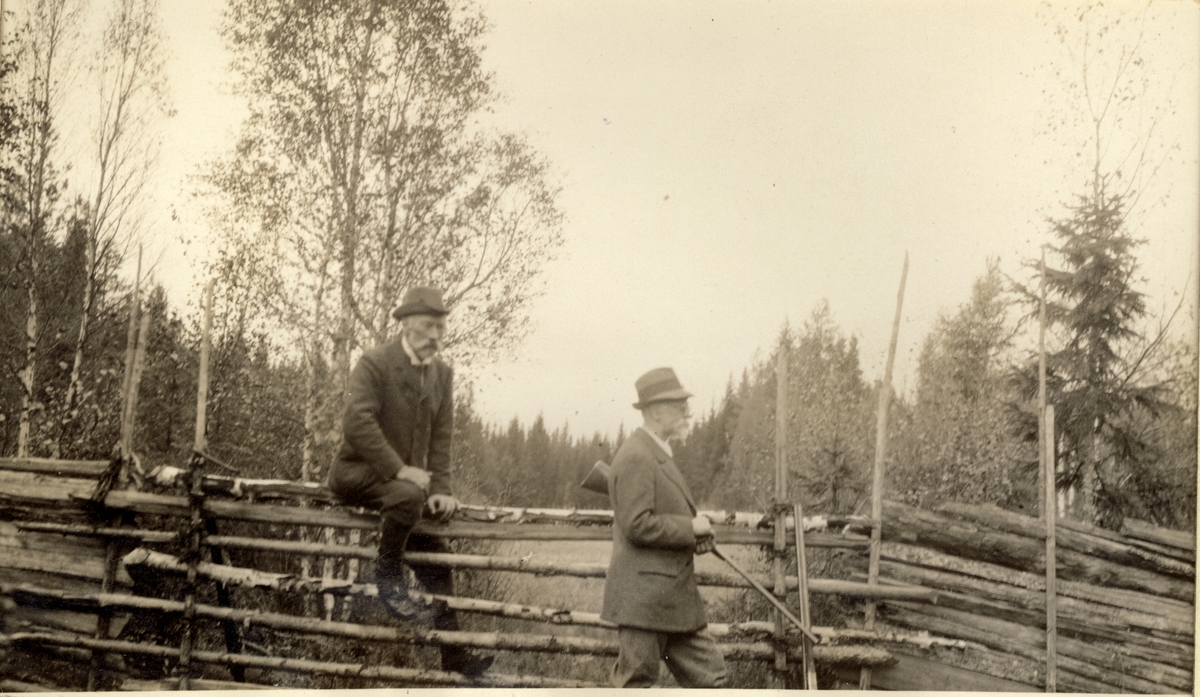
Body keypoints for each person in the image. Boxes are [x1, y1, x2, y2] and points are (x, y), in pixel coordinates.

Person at [327, 285, 493, 678]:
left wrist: (441, 490)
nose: (436, 336)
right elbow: (356, 423)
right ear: (405, 324)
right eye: (428, 326)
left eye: (441, 327)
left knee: (439, 565)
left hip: (407, 494)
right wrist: (400, 471)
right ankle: (387, 575)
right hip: (358, 475)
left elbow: (441, 438)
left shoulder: (442, 374)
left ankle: (454, 655)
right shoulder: (374, 362)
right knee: (406, 494)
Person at [600, 367, 728, 688]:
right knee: (636, 686)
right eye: (679, 406)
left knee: (714, 681)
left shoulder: (656, 453)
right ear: (656, 411)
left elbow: (658, 519)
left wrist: (692, 536)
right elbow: (637, 525)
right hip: (643, 601)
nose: (688, 413)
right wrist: (691, 528)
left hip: (671, 601)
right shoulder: (637, 455)